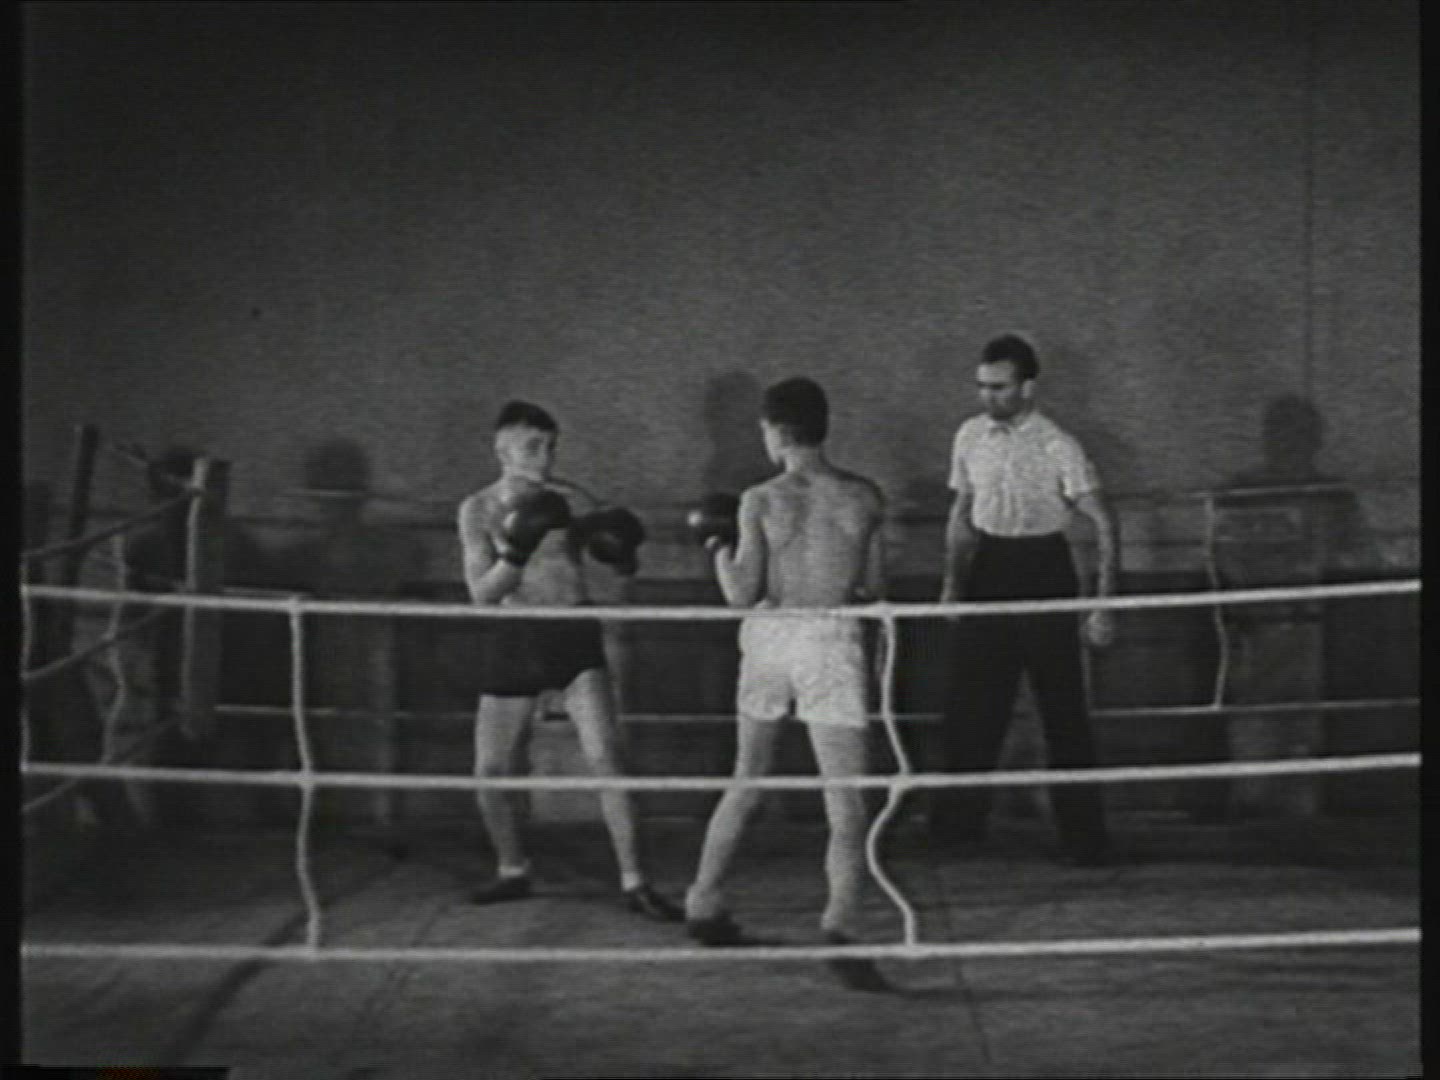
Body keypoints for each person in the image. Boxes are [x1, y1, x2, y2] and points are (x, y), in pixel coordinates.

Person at [684, 377, 892, 992]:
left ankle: (703, 900)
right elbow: (874, 587)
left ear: (774, 432)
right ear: (823, 428)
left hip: (773, 637)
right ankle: (841, 927)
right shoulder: (863, 497)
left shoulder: (760, 500)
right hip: (830, 638)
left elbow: (741, 594)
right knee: (845, 801)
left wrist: (717, 549)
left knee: (748, 777)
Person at [457, 400, 680, 920]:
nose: (545, 457)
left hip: (573, 633)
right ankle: (512, 869)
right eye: (533, 446)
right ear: (503, 451)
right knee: (491, 769)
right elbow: (481, 595)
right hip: (515, 634)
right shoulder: (478, 509)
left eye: (551, 446)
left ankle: (636, 882)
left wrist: (622, 552)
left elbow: (622, 569)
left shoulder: (574, 500)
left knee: (608, 758)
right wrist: (517, 550)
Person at [935, 334, 1117, 866]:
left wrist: (1103, 604)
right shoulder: (969, 435)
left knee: (1062, 708)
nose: (987, 396)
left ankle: (1084, 837)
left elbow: (1105, 522)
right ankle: (957, 829)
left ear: (1028, 387)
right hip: (988, 567)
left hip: (1044, 568)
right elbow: (961, 514)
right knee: (972, 705)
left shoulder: (1058, 444)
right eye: (982, 386)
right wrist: (951, 585)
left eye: (999, 387)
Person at [1209, 395, 1371, 819]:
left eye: (1301, 434)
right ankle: (1252, 803)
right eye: (1282, 433)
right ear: (1268, 437)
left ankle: (1300, 810)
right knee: (1255, 713)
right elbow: (1223, 554)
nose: (1291, 443)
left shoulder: (1333, 495)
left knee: (1306, 715)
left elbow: (1360, 553)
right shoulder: (1242, 492)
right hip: (1256, 624)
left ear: (1315, 439)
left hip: (1314, 626)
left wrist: (1319, 570)